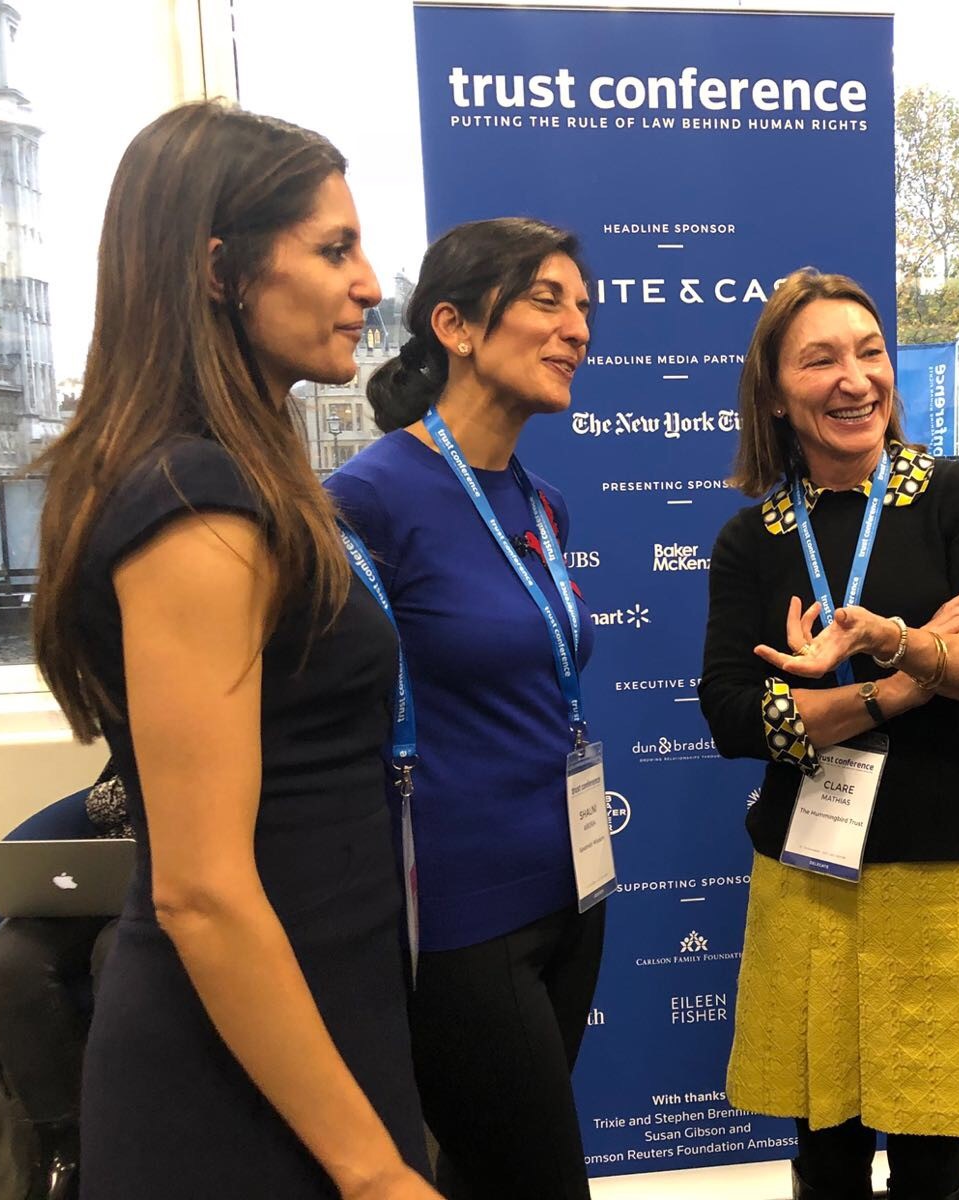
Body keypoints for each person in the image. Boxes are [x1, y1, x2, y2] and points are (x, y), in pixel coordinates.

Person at [29, 102, 436, 1200]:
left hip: (313, 1022)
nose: (366, 284)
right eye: (334, 249)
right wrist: (371, 1172)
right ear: (220, 269)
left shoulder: (248, 478)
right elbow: (201, 892)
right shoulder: (193, 501)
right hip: (230, 1093)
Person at [700, 269, 959, 1200]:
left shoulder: (958, 498)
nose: (855, 379)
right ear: (774, 391)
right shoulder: (751, 538)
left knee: (935, 1159)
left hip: (944, 867)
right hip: (812, 877)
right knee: (828, 1151)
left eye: (870, 352)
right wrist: (910, 678)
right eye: (821, 360)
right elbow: (735, 717)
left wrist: (885, 643)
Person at [327, 217, 602, 1200]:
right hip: (457, 919)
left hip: (572, 893)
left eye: (583, 308)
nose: (576, 327)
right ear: (454, 324)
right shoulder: (365, 502)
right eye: (546, 300)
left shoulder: (540, 501)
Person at [0, 770, 126, 1200]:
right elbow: (99, 803)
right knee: (8, 956)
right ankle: (61, 1145)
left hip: (192, 875)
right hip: (113, 866)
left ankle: (121, 1132)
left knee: (116, 953)